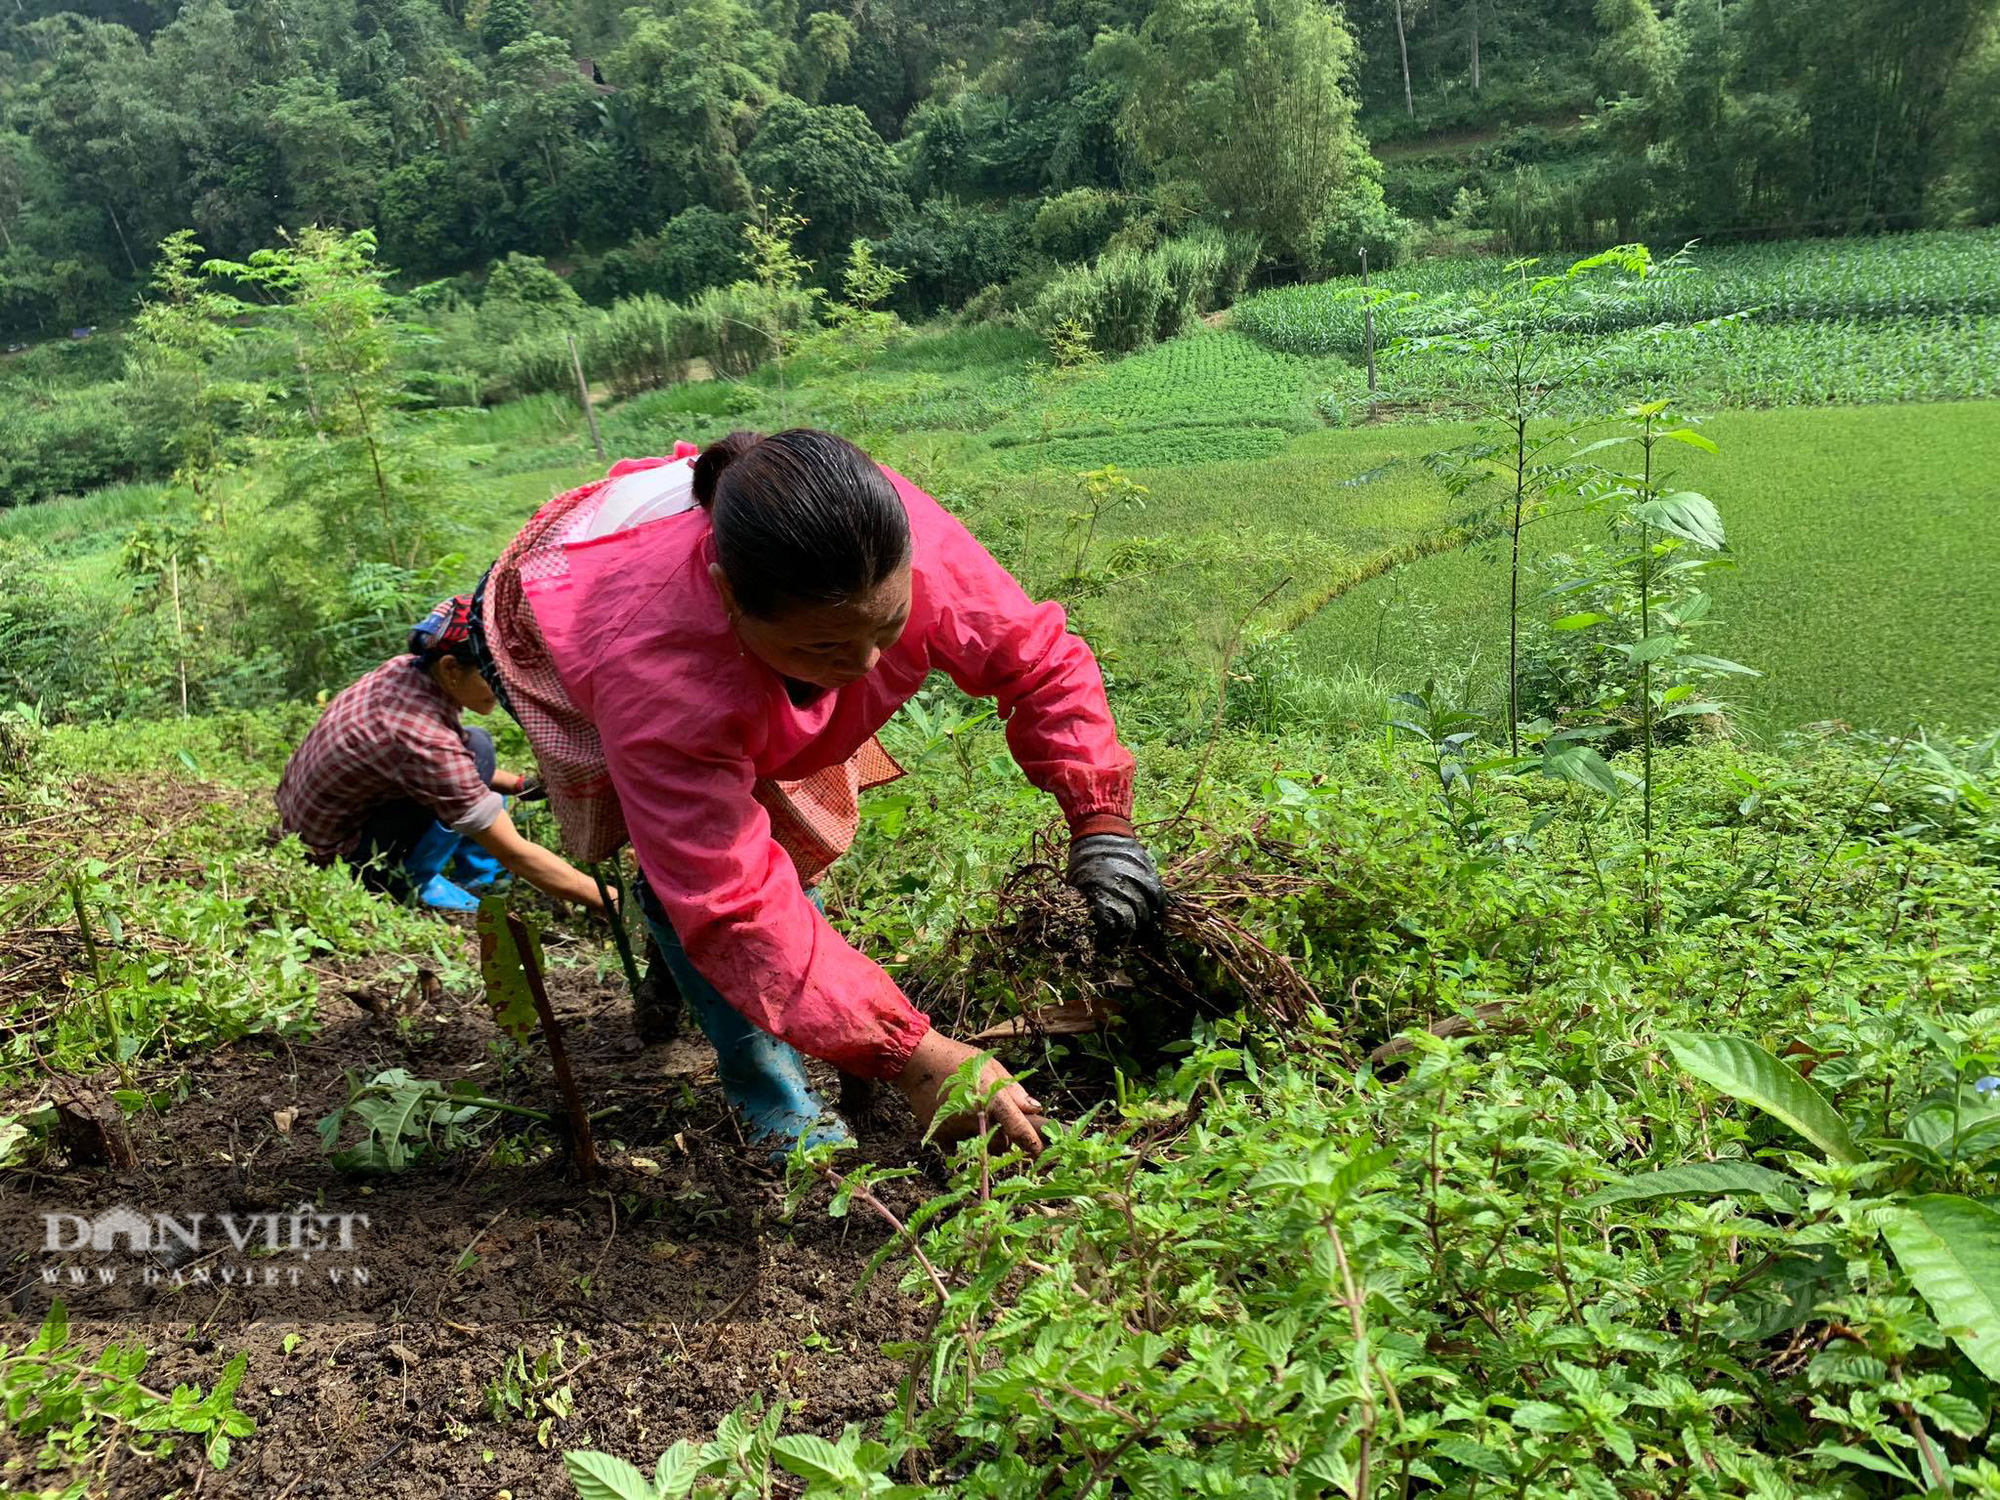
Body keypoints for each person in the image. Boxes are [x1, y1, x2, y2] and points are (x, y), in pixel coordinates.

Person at [474, 430, 1167, 1157]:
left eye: (889, 628)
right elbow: (733, 904)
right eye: (825, 649)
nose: (866, 665)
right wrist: (917, 1055)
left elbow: (1039, 662)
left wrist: (1102, 823)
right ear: (728, 596)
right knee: (692, 876)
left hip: (725, 597)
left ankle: (747, 980)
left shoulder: (886, 535)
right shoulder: (655, 669)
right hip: (561, 611)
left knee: (776, 826)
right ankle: (766, 1086)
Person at [276, 597, 611, 916]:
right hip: (337, 861)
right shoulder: (421, 738)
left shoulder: (405, 671)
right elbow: (515, 852)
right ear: (451, 667)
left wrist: (522, 785)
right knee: (477, 755)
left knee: (477, 745)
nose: (506, 687)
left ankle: (474, 872)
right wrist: (612, 899)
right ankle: (405, 882)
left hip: (308, 827)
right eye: (494, 675)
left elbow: (440, 762)